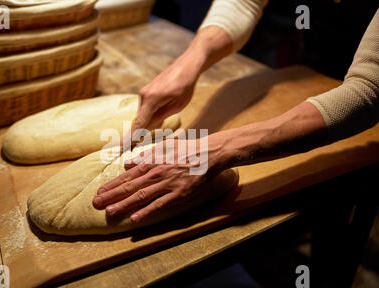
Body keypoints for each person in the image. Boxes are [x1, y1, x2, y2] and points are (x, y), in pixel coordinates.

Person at [92, 0, 379, 223]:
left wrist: (215, 150)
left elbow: (369, 88)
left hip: (364, 113)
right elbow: (244, 3)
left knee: (334, 203)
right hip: (315, 56)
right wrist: (191, 61)